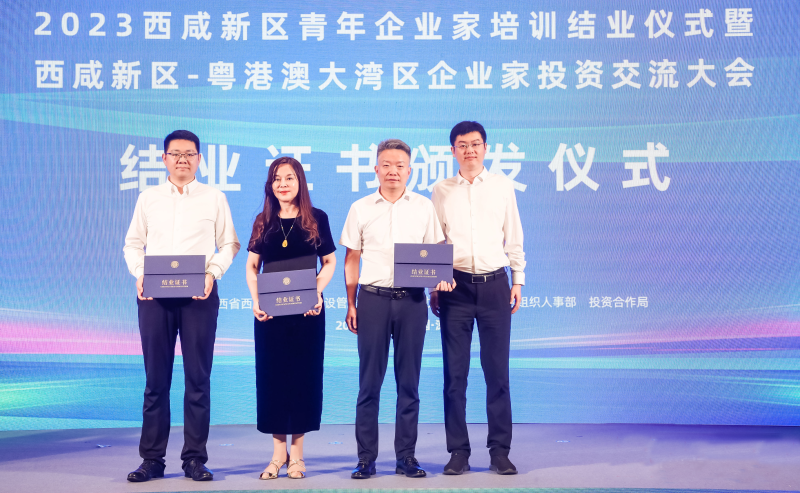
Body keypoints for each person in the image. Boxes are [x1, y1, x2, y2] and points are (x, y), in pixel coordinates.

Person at [123, 130, 241, 482]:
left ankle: (194, 459)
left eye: (189, 154)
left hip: (199, 298)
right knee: (155, 381)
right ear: (164, 159)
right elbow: (133, 244)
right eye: (175, 154)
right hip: (154, 297)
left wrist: (212, 273)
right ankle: (152, 460)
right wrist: (140, 273)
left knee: (198, 379)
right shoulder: (149, 198)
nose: (182, 160)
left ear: (199, 159)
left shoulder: (214, 197)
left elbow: (230, 243)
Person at [340, 139, 453, 479]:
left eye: (400, 165)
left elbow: (435, 253)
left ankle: (406, 457)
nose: (393, 171)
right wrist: (351, 303)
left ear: (409, 171)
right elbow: (351, 259)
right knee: (368, 384)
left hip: (412, 302)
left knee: (409, 383)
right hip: (372, 300)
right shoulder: (360, 208)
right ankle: (366, 459)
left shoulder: (423, 207)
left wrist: (436, 288)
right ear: (376, 169)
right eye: (386, 165)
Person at [430, 121, 526, 475]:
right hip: (454, 288)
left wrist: (518, 279)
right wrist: (435, 285)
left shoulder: (502, 186)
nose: (469, 150)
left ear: (486, 148)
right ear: (452, 151)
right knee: (454, 376)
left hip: (495, 285)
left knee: (497, 373)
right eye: (462, 145)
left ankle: (499, 451)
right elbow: (436, 239)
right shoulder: (441, 190)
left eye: (475, 144)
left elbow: (513, 234)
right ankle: (458, 452)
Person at [245, 156, 337, 480]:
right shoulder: (263, 221)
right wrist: (256, 301)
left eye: (289, 178)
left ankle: (296, 456)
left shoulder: (317, 218)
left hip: (307, 313)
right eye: (276, 178)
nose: (282, 184)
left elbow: (329, 262)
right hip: (270, 316)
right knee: (272, 381)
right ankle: (277, 455)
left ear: (300, 182)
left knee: (302, 379)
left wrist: (316, 292)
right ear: (270, 185)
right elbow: (252, 267)